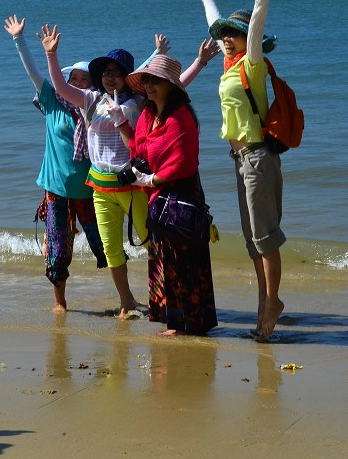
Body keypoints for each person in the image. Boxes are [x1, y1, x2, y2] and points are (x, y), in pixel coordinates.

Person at [39, 24, 217, 318]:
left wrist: (199, 62)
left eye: (116, 71)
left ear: (127, 76)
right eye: (105, 72)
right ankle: (127, 301)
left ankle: (161, 298)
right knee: (111, 249)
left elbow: (177, 83)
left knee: (153, 243)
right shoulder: (90, 99)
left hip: (134, 183)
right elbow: (60, 87)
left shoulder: (141, 102)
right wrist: (51, 55)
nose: (110, 76)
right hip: (100, 184)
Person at [195, 0, 285, 340]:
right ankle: (263, 303)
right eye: (226, 34)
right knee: (252, 241)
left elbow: (255, 32)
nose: (228, 39)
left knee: (265, 237)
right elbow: (215, 24)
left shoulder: (253, 65)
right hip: (239, 160)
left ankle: (272, 302)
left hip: (258, 157)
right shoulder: (229, 67)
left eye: (236, 34)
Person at [4, 15, 107, 313]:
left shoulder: (99, 109)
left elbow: (132, 84)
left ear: (92, 86)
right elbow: (34, 73)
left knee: (105, 245)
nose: (77, 83)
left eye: (84, 80)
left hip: (90, 188)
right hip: (57, 190)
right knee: (59, 249)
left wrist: (158, 55)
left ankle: (126, 300)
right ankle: (60, 303)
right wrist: (19, 40)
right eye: (73, 78)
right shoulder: (52, 102)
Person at [127, 53, 218, 336]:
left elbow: (183, 163)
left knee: (184, 260)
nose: (150, 86)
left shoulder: (180, 118)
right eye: (147, 80)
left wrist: (152, 178)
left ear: (171, 85)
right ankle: (175, 322)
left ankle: (190, 324)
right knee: (164, 258)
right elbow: (140, 150)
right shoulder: (148, 114)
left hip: (181, 195)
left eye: (156, 81)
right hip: (159, 195)